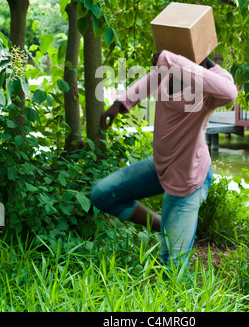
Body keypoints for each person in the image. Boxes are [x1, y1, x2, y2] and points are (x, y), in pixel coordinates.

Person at [90, 49, 238, 271]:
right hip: (161, 165)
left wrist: (170, 57)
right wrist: (122, 103)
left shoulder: (213, 80)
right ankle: (166, 226)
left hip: (188, 179)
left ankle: (175, 230)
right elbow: (152, 78)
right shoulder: (170, 69)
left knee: (172, 269)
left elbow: (230, 93)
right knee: (102, 195)